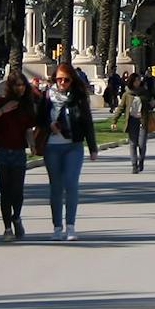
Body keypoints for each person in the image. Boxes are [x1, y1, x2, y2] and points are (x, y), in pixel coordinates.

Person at [40, 62, 98, 238]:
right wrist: (49, 125)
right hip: (52, 147)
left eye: (66, 80)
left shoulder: (79, 98)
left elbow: (87, 122)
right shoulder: (47, 97)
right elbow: (38, 118)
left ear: (72, 80)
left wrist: (93, 147)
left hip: (73, 146)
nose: (62, 83)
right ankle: (57, 227)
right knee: (56, 188)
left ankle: (71, 226)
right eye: (59, 79)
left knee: (71, 184)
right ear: (54, 79)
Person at [0, 71, 39, 240]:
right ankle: (7, 228)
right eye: (17, 85)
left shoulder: (27, 105)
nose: (20, 88)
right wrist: (3, 110)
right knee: (5, 192)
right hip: (1, 151)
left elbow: (29, 129)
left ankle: (17, 217)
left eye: (23, 85)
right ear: (10, 86)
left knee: (17, 191)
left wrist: (32, 144)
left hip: (18, 152)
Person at [118, 69, 155, 173]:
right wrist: (114, 120)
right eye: (136, 80)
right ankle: (134, 165)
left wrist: (152, 103)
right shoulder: (127, 94)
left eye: (139, 80)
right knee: (133, 143)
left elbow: (151, 103)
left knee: (141, 144)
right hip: (131, 120)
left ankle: (141, 161)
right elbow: (121, 107)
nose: (138, 82)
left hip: (142, 120)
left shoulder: (144, 92)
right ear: (132, 81)